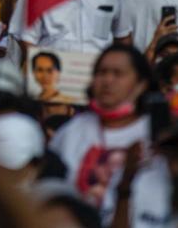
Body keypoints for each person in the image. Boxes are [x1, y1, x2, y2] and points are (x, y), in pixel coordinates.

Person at [49, 45, 154, 215]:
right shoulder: (71, 130)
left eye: (118, 73)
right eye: (101, 72)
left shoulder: (154, 134)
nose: (107, 80)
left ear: (141, 84)